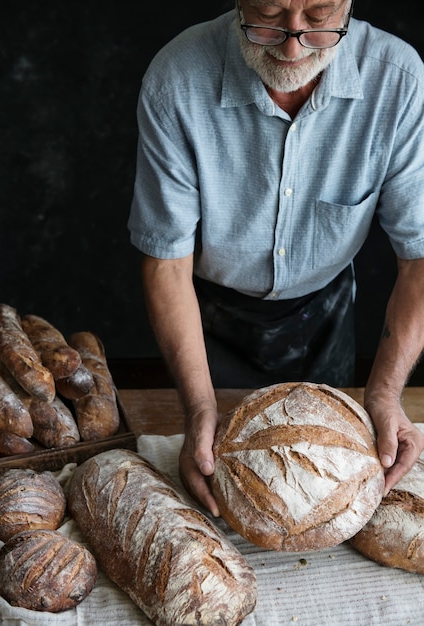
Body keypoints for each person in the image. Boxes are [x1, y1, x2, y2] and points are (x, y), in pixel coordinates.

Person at [128, 0, 424, 517]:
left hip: (325, 308)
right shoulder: (177, 77)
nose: (292, 45)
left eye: (317, 18)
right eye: (268, 15)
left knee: (325, 492)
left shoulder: (397, 79)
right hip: (209, 312)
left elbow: (420, 258)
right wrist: (199, 407)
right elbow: (166, 263)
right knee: (220, 484)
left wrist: (384, 392)